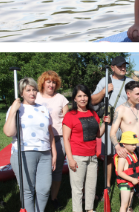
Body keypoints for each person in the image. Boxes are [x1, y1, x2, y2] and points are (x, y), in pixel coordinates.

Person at [4, 77, 58, 212]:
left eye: (34, 90)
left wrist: (54, 153)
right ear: (21, 93)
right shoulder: (16, 108)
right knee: (28, 190)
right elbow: (8, 132)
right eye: (28, 90)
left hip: (45, 153)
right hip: (23, 152)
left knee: (44, 189)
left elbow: (49, 132)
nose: (32, 93)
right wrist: (13, 111)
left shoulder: (43, 109)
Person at [109, 80, 139, 212]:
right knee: (129, 181)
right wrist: (118, 147)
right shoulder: (120, 110)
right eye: (137, 94)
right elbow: (112, 132)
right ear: (128, 94)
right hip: (128, 151)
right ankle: (128, 207)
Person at [62, 84, 107, 212]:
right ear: (74, 99)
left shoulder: (93, 113)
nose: (83, 99)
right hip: (77, 156)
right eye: (79, 96)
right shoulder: (70, 115)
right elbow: (66, 138)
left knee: (91, 186)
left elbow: (98, 134)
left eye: (85, 95)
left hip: (92, 156)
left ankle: (89, 209)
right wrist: (70, 159)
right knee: (77, 188)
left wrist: (105, 123)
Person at [92, 56, 130, 193]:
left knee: (128, 154)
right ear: (112, 67)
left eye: (124, 65)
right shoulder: (105, 81)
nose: (123, 68)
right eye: (120, 66)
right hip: (109, 124)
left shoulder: (130, 82)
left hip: (126, 125)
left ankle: (128, 184)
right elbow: (93, 100)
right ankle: (107, 186)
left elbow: (138, 104)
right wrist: (104, 91)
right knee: (108, 156)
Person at [36, 71, 69, 205]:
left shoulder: (61, 98)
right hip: (40, 139)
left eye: (54, 82)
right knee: (40, 169)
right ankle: (40, 197)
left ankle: (53, 198)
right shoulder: (36, 97)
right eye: (48, 81)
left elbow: (68, 121)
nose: (51, 84)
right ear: (42, 83)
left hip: (58, 137)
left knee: (57, 169)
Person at [113, 132, 139, 212]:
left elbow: (133, 166)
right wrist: (132, 180)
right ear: (124, 144)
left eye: (135, 144)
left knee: (129, 204)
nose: (134, 146)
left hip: (131, 183)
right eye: (132, 144)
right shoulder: (122, 157)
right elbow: (120, 172)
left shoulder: (132, 154)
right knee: (124, 205)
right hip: (125, 183)